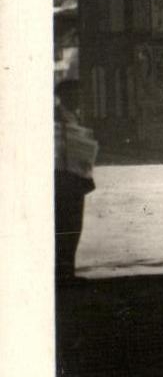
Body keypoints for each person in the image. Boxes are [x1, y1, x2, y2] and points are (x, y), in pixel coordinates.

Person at [54, 79, 98, 285]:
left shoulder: (76, 116)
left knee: (74, 225)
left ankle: (68, 272)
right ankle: (61, 274)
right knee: (63, 225)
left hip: (76, 177)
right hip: (61, 177)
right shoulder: (54, 116)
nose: (79, 98)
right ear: (64, 96)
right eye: (75, 94)